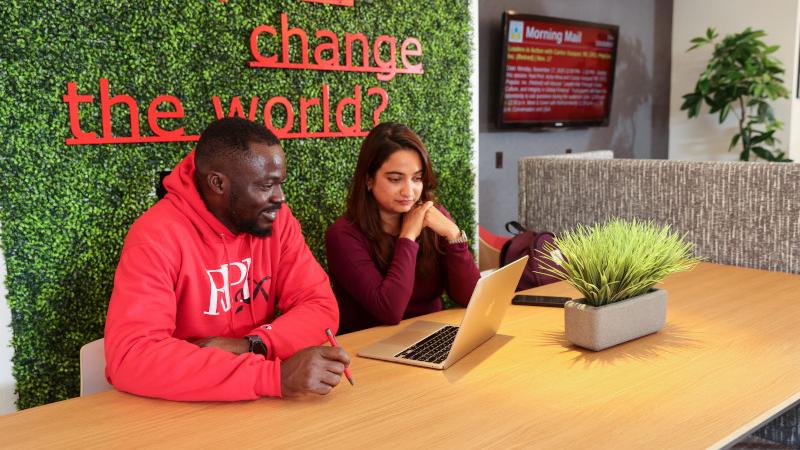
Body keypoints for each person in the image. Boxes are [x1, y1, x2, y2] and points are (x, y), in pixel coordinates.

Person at [104, 117, 350, 401]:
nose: (280, 198)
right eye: (265, 186)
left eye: (279, 184)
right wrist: (271, 376)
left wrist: (253, 345)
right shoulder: (156, 236)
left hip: (258, 402)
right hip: (179, 407)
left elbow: (319, 304)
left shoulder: (275, 220)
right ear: (218, 183)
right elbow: (132, 356)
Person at [325, 122, 480, 333]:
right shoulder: (342, 235)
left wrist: (454, 235)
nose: (409, 191)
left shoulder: (434, 217)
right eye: (395, 179)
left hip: (432, 334)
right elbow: (389, 311)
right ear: (369, 180)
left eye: (417, 179)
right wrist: (407, 237)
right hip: (372, 343)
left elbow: (470, 297)